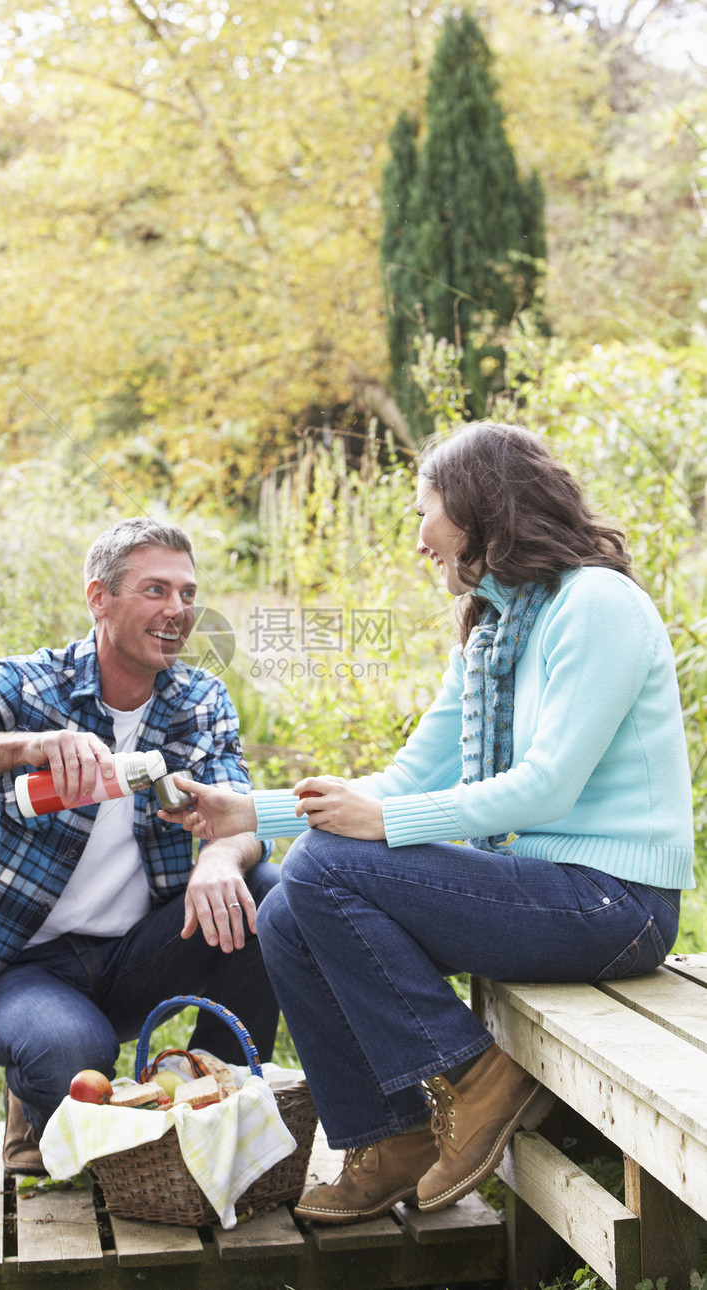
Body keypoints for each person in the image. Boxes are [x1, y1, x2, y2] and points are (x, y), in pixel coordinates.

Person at [159, 421, 695, 1224]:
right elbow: (411, 779)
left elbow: (547, 789)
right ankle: (392, 1134)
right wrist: (251, 811)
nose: (418, 541)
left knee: (318, 867)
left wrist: (382, 822)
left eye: (424, 513)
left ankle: (473, 1077)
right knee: (286, 907)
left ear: (481, 508)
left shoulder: (597, 605)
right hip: (553, 893)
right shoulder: (495, 634)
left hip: (615, 905)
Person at [0, 517, 280, 1173]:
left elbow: (239, 813)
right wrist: (29, 747)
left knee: (267, 893)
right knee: (71, 1057)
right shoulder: (32, 686)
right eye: (155, 590)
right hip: (31, 970)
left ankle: (216, 1100)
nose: (178, 611)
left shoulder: (199, 698)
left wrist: (220, 859)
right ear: (99, 598)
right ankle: (37, 1104)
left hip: (143, 952)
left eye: (187, 593)